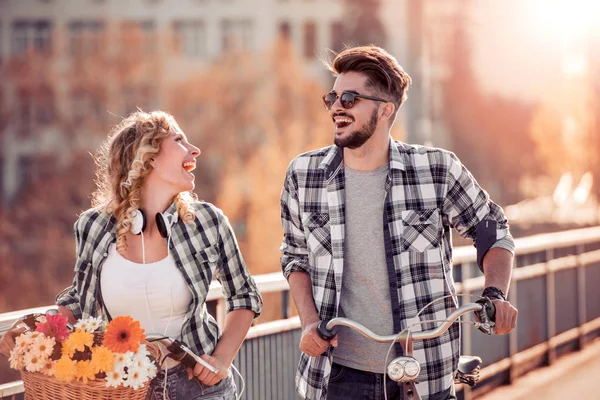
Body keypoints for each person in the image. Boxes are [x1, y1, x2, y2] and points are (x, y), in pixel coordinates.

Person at [279, 45, 518, 400]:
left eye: (349, 98)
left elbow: (493, 230)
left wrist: (495, 294)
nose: (336, 108)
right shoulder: (304, 174)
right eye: (332, 97)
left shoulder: (436, 168)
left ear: (386, 109)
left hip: (425, 370)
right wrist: (309, 321)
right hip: (338, 375)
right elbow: (295, 256)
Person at [1, 110, 263, 400]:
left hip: (198, 389)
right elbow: (78, 302)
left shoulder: (207, 222)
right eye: (179, 140)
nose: (194, 150)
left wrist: (222, 359)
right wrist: (34, 332)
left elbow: (244, 295)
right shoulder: (93, 226)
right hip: (119, 386)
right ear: (148, 157)